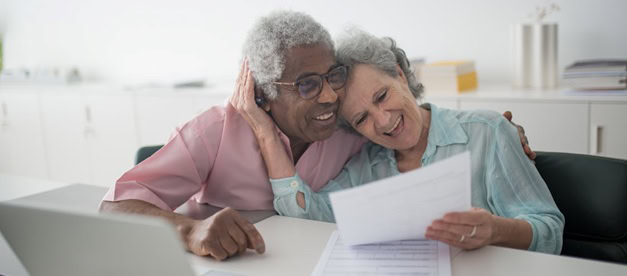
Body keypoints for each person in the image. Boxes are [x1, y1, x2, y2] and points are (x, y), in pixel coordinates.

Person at [100, 11, 534, 261]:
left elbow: (410, 124)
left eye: (333, 76)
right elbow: (114, 207)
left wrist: (502, 131)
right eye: (308, 84)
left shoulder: (350, 129)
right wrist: (189, 231)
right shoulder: (215, 131)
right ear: (265, 95)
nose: (329, 95)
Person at [231, 29, 564, 254]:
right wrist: (264, 132)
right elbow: (304, 217)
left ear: (400, 75)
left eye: (381, 95)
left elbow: (550, 231)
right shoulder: (366, 166)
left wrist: (496, 230)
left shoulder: (486, 132)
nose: (384, 120)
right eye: (361, 119)